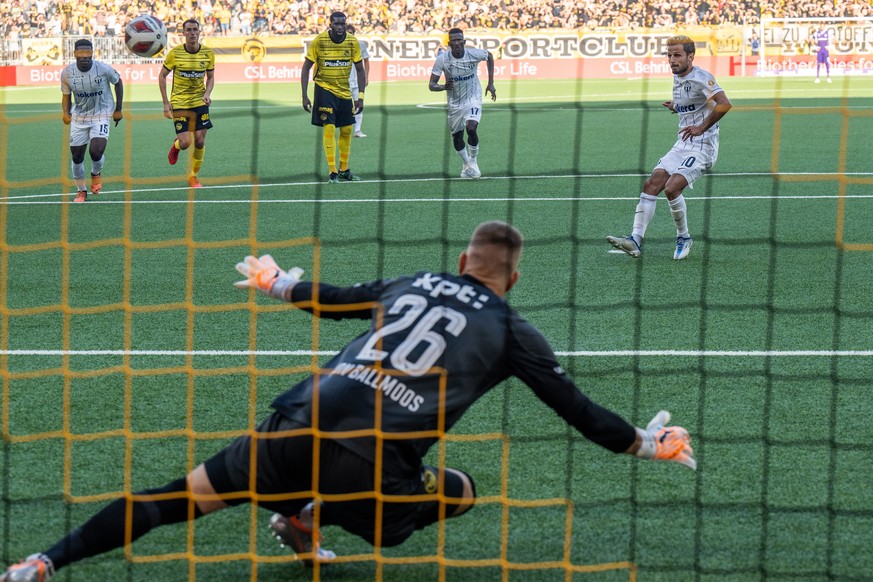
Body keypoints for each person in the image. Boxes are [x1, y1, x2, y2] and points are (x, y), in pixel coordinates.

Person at [0, 220, 696, 582]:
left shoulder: (414, 281)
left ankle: (42, 564)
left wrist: (276, 283)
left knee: (173, 498)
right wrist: (643, 443)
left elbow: (332, 302)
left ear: (461, 262)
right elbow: (573, 407)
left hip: (296, 420)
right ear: (512, 278)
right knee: (456, 493)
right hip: (370, 466)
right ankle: (312, 514)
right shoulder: (514, 330)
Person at [607, 35, 732, 260]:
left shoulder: (701, 77)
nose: (672, 60)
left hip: (703, 147)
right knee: (652, 183)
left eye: (677, 55)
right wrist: (677, 107)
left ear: (690, 56)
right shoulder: (678, 77)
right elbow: (694, 102)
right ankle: (635, 240)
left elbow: (724, 104)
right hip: (682, 144)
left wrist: (701, 127)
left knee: (672, 188)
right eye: (669, 55)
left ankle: (684, 237)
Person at [301, 11, 367, 183]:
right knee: (329, 127)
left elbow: (360, 70)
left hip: (344, 90)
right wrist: (304, 95)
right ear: (330, 24)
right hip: (324, 89)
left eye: (343, 24)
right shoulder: (320, 41)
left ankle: (344, 169)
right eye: (336, 24)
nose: (340, 27)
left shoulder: (352, 42)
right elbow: (306, 67)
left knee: (346, 130)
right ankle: (332, 172)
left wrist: (360, 96)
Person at [60, 38, 123, 203]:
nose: (85, 56)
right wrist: (65, 112)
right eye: (81, 53)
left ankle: (96, 173)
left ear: (92, 52)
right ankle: (81, 191)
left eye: (88, 52)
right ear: (75, 54)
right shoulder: (67, 73)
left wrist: (118, 109)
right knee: (76, 156)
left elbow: (118, 82)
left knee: (96, 151)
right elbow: (66, 96)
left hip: (101, 114)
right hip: (79, 118)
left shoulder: (103, 69)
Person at [428, 28, 496, 180]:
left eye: (460, 40)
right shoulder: (442, 60)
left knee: (471, 127)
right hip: (454, 103)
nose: (457, 43)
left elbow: (489, 56)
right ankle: (466, 164)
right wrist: (443, 87)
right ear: (449, 43)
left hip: (473, 97)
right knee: (457, 138)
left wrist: (490, 83)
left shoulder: (473, 54)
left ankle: (473, 161)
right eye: (454, 40)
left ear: (464, 42)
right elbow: (432, 85)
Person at [158, 18, 215, 189]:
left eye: (194, 30)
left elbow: (211, 77)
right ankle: (176, 146)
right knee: (185, 143)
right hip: (180, 102)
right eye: (188, 30)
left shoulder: (208, 54)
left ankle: (193, 176)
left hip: (199, 101)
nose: (192, 33)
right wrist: (165, 103)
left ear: (199, 32)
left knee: (199, 141)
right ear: (183, 33)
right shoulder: (175, 54)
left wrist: (207, 93)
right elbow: (162, 76)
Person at [346, 24, 370, 138]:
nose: (349, 35)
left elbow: (366, 60)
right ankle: (344, 129)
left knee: (359, 104)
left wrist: (366, 76)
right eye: (347, 33)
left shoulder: (360, 45)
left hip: (356, 82)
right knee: (342, 107)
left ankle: (357, 130)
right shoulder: (338, 45)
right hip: (342, 82)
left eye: (351, 33)